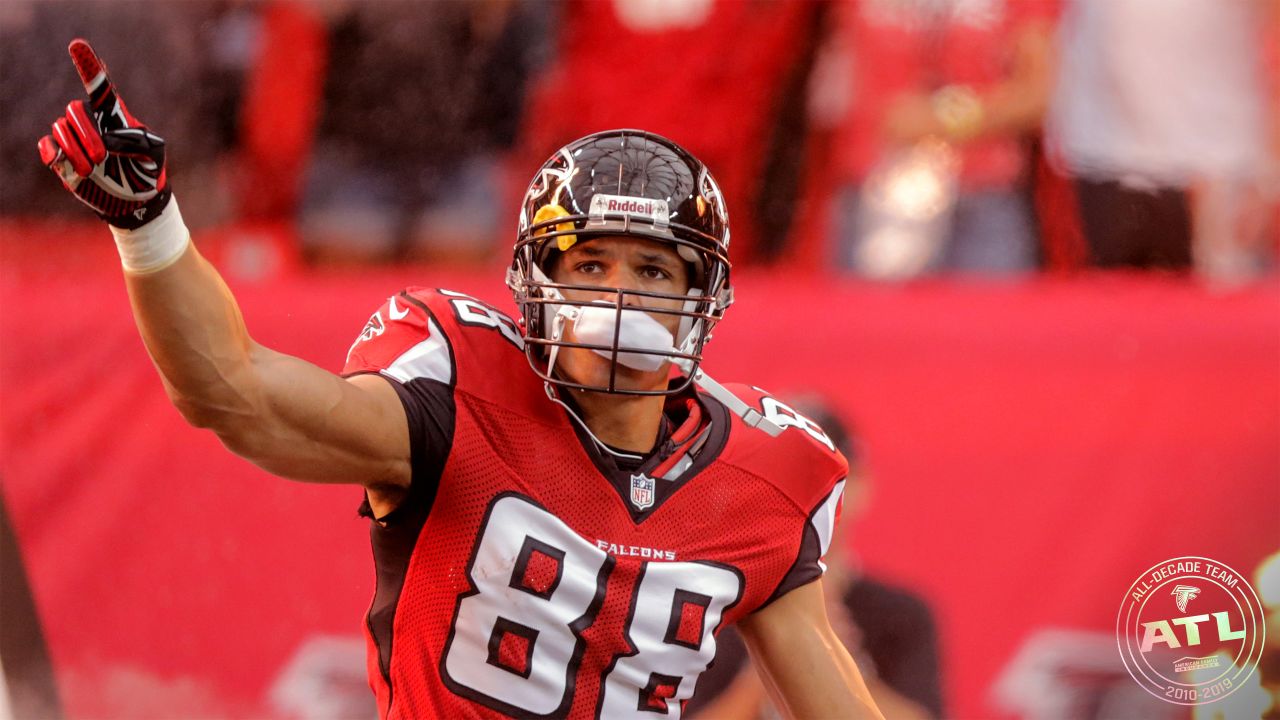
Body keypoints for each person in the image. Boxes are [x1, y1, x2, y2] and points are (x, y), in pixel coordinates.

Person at [37, 40, 883, 719]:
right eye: (591, 261)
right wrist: (149, 227)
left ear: (705, 298)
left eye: (656, 272)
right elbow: (234, 392)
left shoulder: (767, 477)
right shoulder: (461, 387)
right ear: (534, 285)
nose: (621, 293)